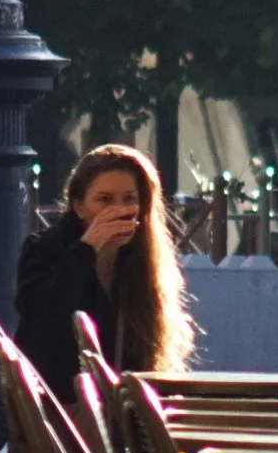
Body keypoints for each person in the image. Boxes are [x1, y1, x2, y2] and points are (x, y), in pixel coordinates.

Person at [13, 144, 194, 400]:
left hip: (118, 410)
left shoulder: (140, 260)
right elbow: (41, 319)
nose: (119, 209)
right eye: (105, 200)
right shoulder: (44, 249)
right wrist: (87, 248)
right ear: (79, 207)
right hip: (54, 407)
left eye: (129, 199)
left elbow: (146, 354)